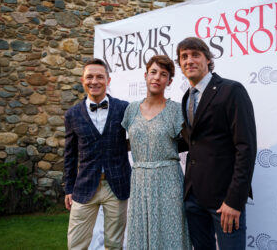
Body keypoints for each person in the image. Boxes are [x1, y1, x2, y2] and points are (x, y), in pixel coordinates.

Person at [177, 37, 257, 250]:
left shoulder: (231, 90)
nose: (189, 60)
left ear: (208, 59)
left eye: (195, 55)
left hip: (224, 201)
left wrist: (234, 200)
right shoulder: (186, 97)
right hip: (193, 198)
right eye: (184, 57)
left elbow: (246, 148)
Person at [121, 55, 191, 250]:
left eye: (163, 74)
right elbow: (126, 143)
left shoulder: (177, 110)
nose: (157, 77)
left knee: (171, 233)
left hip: (168, 180)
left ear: (169, 81)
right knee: (141, 233)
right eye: (153, 72)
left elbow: (190, 143)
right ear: (145, 75)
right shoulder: (131, 110)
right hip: (140, 180)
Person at [64, 58, 131, 250]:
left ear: (108, 80)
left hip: (116, 186)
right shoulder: (72, 114)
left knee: (114, 244)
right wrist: (68, 188)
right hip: (84, 186)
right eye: (89, 77)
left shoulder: (123, 108)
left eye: (100, 77)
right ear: (82, 80)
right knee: (76, 243)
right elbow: (70, 155)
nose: (94, 81)